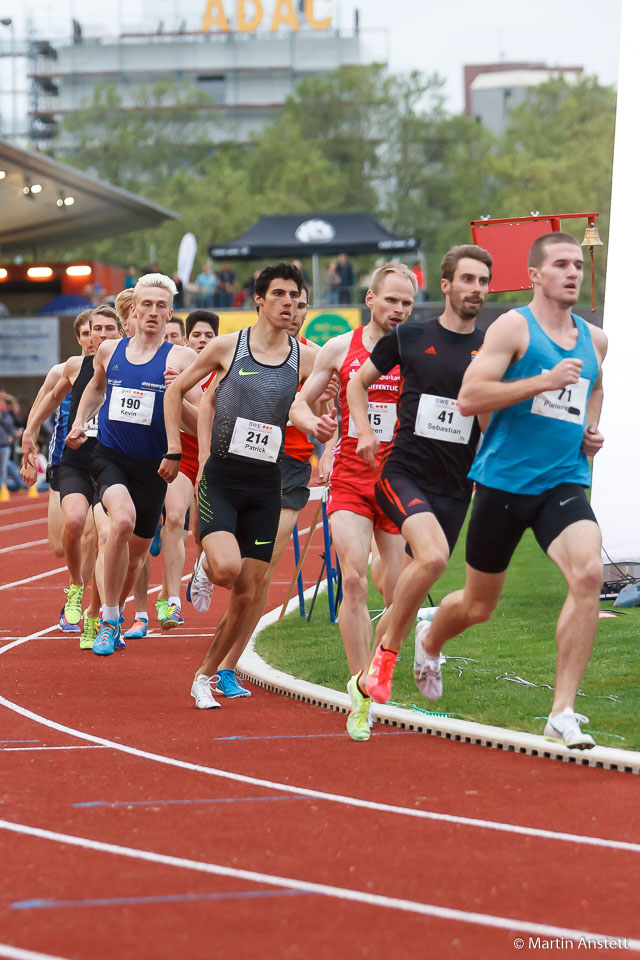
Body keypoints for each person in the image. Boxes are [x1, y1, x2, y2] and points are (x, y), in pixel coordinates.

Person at [415, 232, 608, 750]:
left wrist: (590, 429)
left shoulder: (595, 339)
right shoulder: (512, 327)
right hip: (503, 482)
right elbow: (469, 397)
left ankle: (562, 711)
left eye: (577, 265)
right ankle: (430, 639)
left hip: (563, 480)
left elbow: (594, 386)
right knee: (478, 606)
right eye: (561, 265)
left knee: (588, 572)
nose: (574, 272)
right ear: (535, 275)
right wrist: (541, 382)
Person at [162, 262, 335, 709]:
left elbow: (307, 402)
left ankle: (207, 674)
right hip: (221, 476)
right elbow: (176, 390)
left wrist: (321, 428)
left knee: (249, 586)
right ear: (259, 299)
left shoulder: (308, 357)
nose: (289, 303)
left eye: (295, 296)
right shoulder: (227, 346)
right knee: (225, 569)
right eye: (279, 294)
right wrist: (177, 452)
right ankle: (203, 566)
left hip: (267, 481)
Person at [347, 245, 492, 712]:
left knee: (413, 576)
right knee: (431, 559)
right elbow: (356, 383)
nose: (476, 289)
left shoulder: (491, 348)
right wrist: (366, 429)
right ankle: (388, 656)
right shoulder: (410, 337)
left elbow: (492, 418)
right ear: (446, 285)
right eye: (467, 279)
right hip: (403, 472)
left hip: (456, 485)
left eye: (483, 281)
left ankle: (372, 680)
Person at [290, 262, 416, 741]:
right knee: (355, 578)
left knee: (398, 589)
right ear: (370, 299)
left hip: (399, 482)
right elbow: (300, 403)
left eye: (406, 303)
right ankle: (360, 688)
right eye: (391, 301)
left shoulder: (417, 351)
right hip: (349, 480)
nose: (399, 310)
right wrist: (313, 426)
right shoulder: (340, 348)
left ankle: (377, 670)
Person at [66, 273, 199, 656]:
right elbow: (95, 388)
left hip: (154, 468)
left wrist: (179, 395)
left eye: (161, 306)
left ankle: (113, 612)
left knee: (138, 555)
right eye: (147, 305)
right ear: (135, 310)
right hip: (109, 457)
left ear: (170, 312)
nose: (153, 312)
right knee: (120, 520)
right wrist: (79, 423)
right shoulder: (109, 351)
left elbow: (196, 422)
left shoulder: (183, 359)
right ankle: (108, 619)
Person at [21, 307, 124, 648]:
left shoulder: (128, 367)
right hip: (75, 462)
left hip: (111, 463)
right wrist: (30, 431)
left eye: (111, 329)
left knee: (104, 537)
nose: (103, 335)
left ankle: (97, 618)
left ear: (120, 333)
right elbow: (51, 398)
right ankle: (75, 586)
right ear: (88, 334)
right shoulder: (73, 367)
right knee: (75, 525)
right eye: (98, 329)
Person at [21, 309, 94, 631]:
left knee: (94, 533)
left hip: (101, 460)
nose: (94, 337)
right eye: (88, 332)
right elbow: (40, 408)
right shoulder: (62, 371)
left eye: (100, 330)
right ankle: (77, 580)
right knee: (59, 545)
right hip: (62, 461)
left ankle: (80, 599)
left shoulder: (115, 368)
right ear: (79, 337)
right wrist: (28, 453)